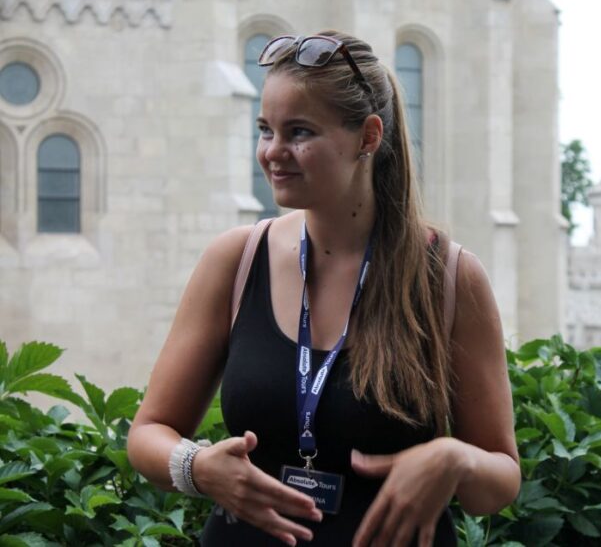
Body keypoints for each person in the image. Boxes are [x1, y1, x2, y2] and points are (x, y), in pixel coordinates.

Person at [127, 30, 519, 546]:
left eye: (300, 132)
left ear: (368, 137)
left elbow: (500, 483)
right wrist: (196, 466)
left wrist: (455, 458)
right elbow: (147, 434)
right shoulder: (237, 260)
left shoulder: (448, 277)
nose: (273, 152)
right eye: (265, 129)